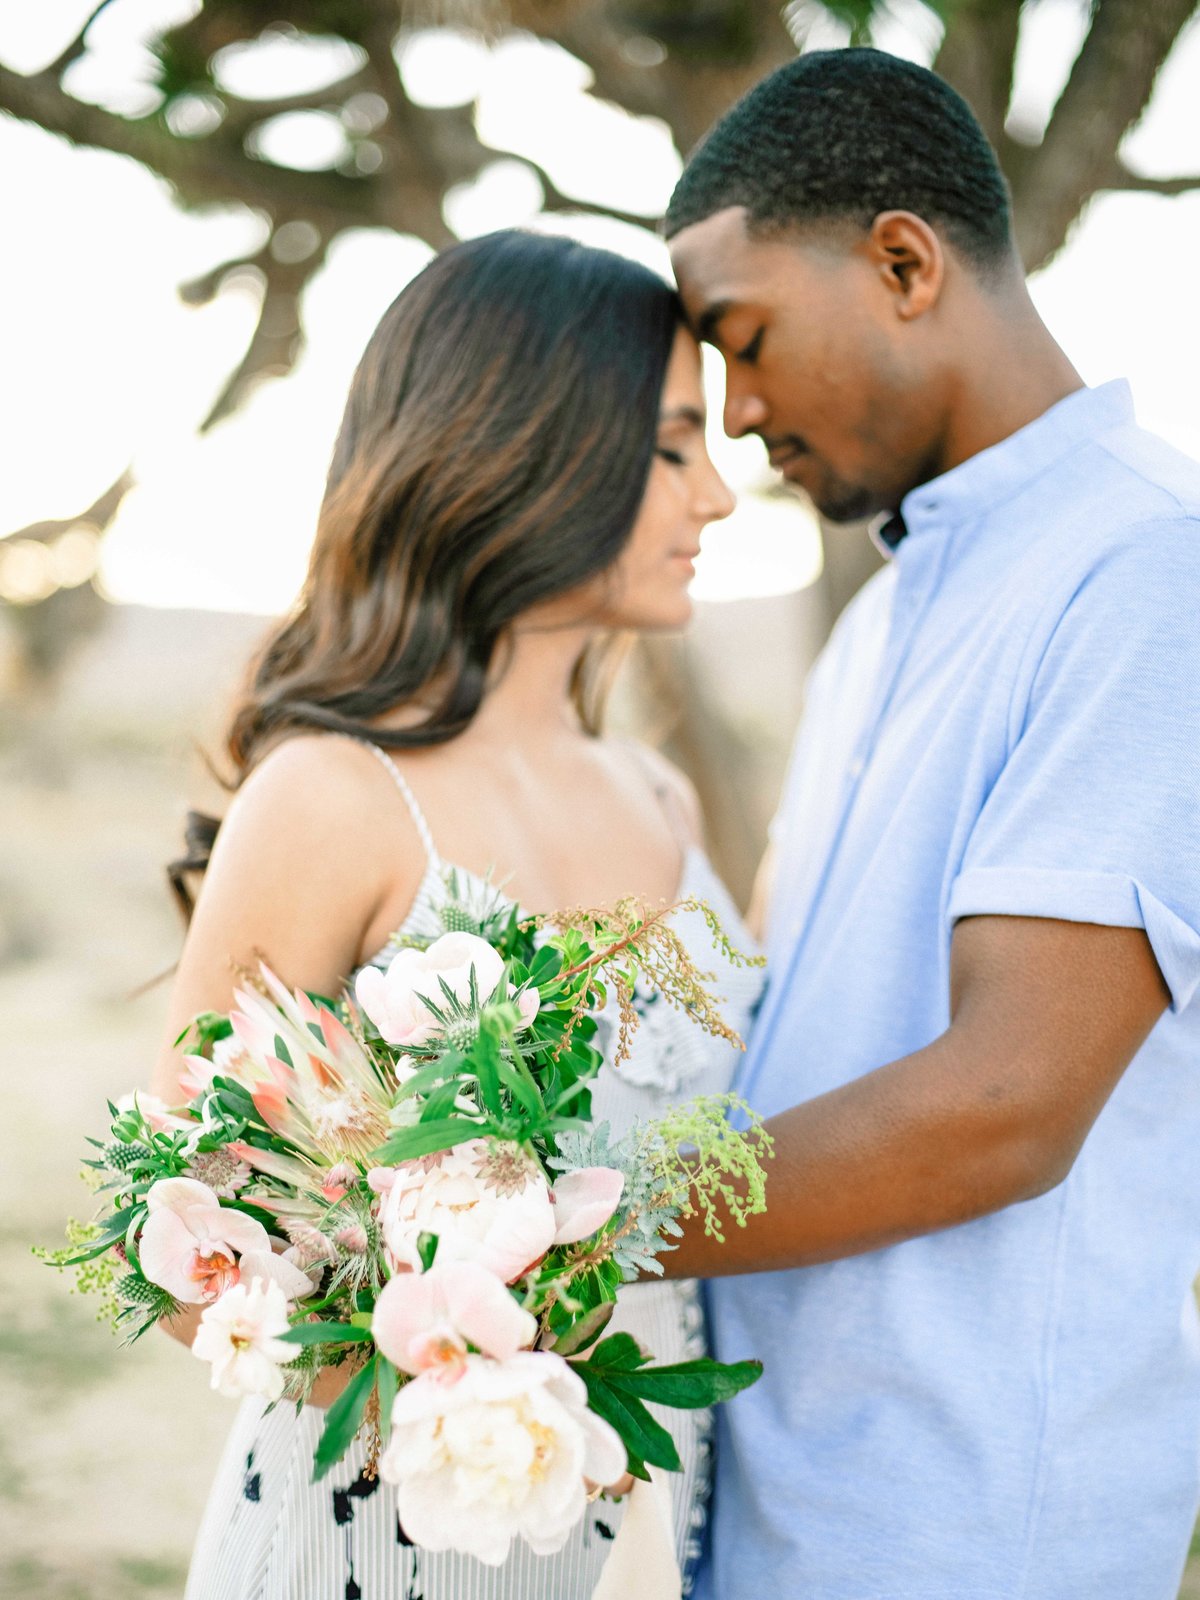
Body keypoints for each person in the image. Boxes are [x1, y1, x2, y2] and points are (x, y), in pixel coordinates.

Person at [150, 229, 761, 1599]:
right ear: (525, 445)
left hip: (655, 1529)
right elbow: (194, 1252)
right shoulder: (332, 802)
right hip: (384, 1539)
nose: (718, 494)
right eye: (671, 447)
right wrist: (454, 1331)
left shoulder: (661, 794)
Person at [661, 46, 1200, 1600]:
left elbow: (1006, 1100)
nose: (740, 410)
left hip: (962, 1538)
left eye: (742, 339)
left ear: (903, 260)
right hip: (760, 1500)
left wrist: (561, 1226)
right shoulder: (877, 631)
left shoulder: (1147, 572)